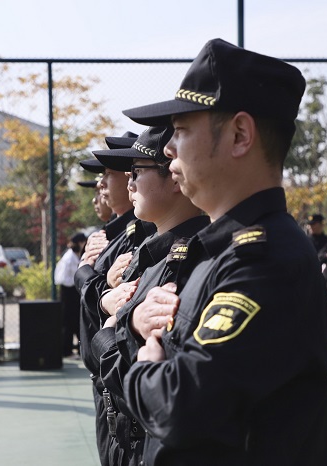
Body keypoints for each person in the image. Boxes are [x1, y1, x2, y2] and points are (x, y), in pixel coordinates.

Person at [120, 38, 327, 465]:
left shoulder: (266, 260)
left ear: (239, 135)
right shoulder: (222, 250)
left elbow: (182, 405)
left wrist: (144, 366)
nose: (168, 148)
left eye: (182, 130)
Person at [90, 125, 209, 466]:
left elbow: (144, 378)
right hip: (126, 433)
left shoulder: (184, 261)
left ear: (173, 179)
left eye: (137, 172)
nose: (129, 184)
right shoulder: (151, 253)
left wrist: (109, 332)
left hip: (144, 438)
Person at [74, 132, 155, 466]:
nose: (101, 185)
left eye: (109, 174)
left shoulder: (141, 235)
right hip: (110, 378)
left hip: (126, 392)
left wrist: (86, 276)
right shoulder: (121, 234)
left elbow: (119, 301)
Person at [54, 232, 87, 358]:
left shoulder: (73, 256)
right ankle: (66, 351)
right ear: (80, 243)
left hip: (72, 291)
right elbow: (63, 279)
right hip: (68, 292)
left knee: (75, 321)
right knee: (68, 322)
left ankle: (79, 350)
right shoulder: (70, 258)